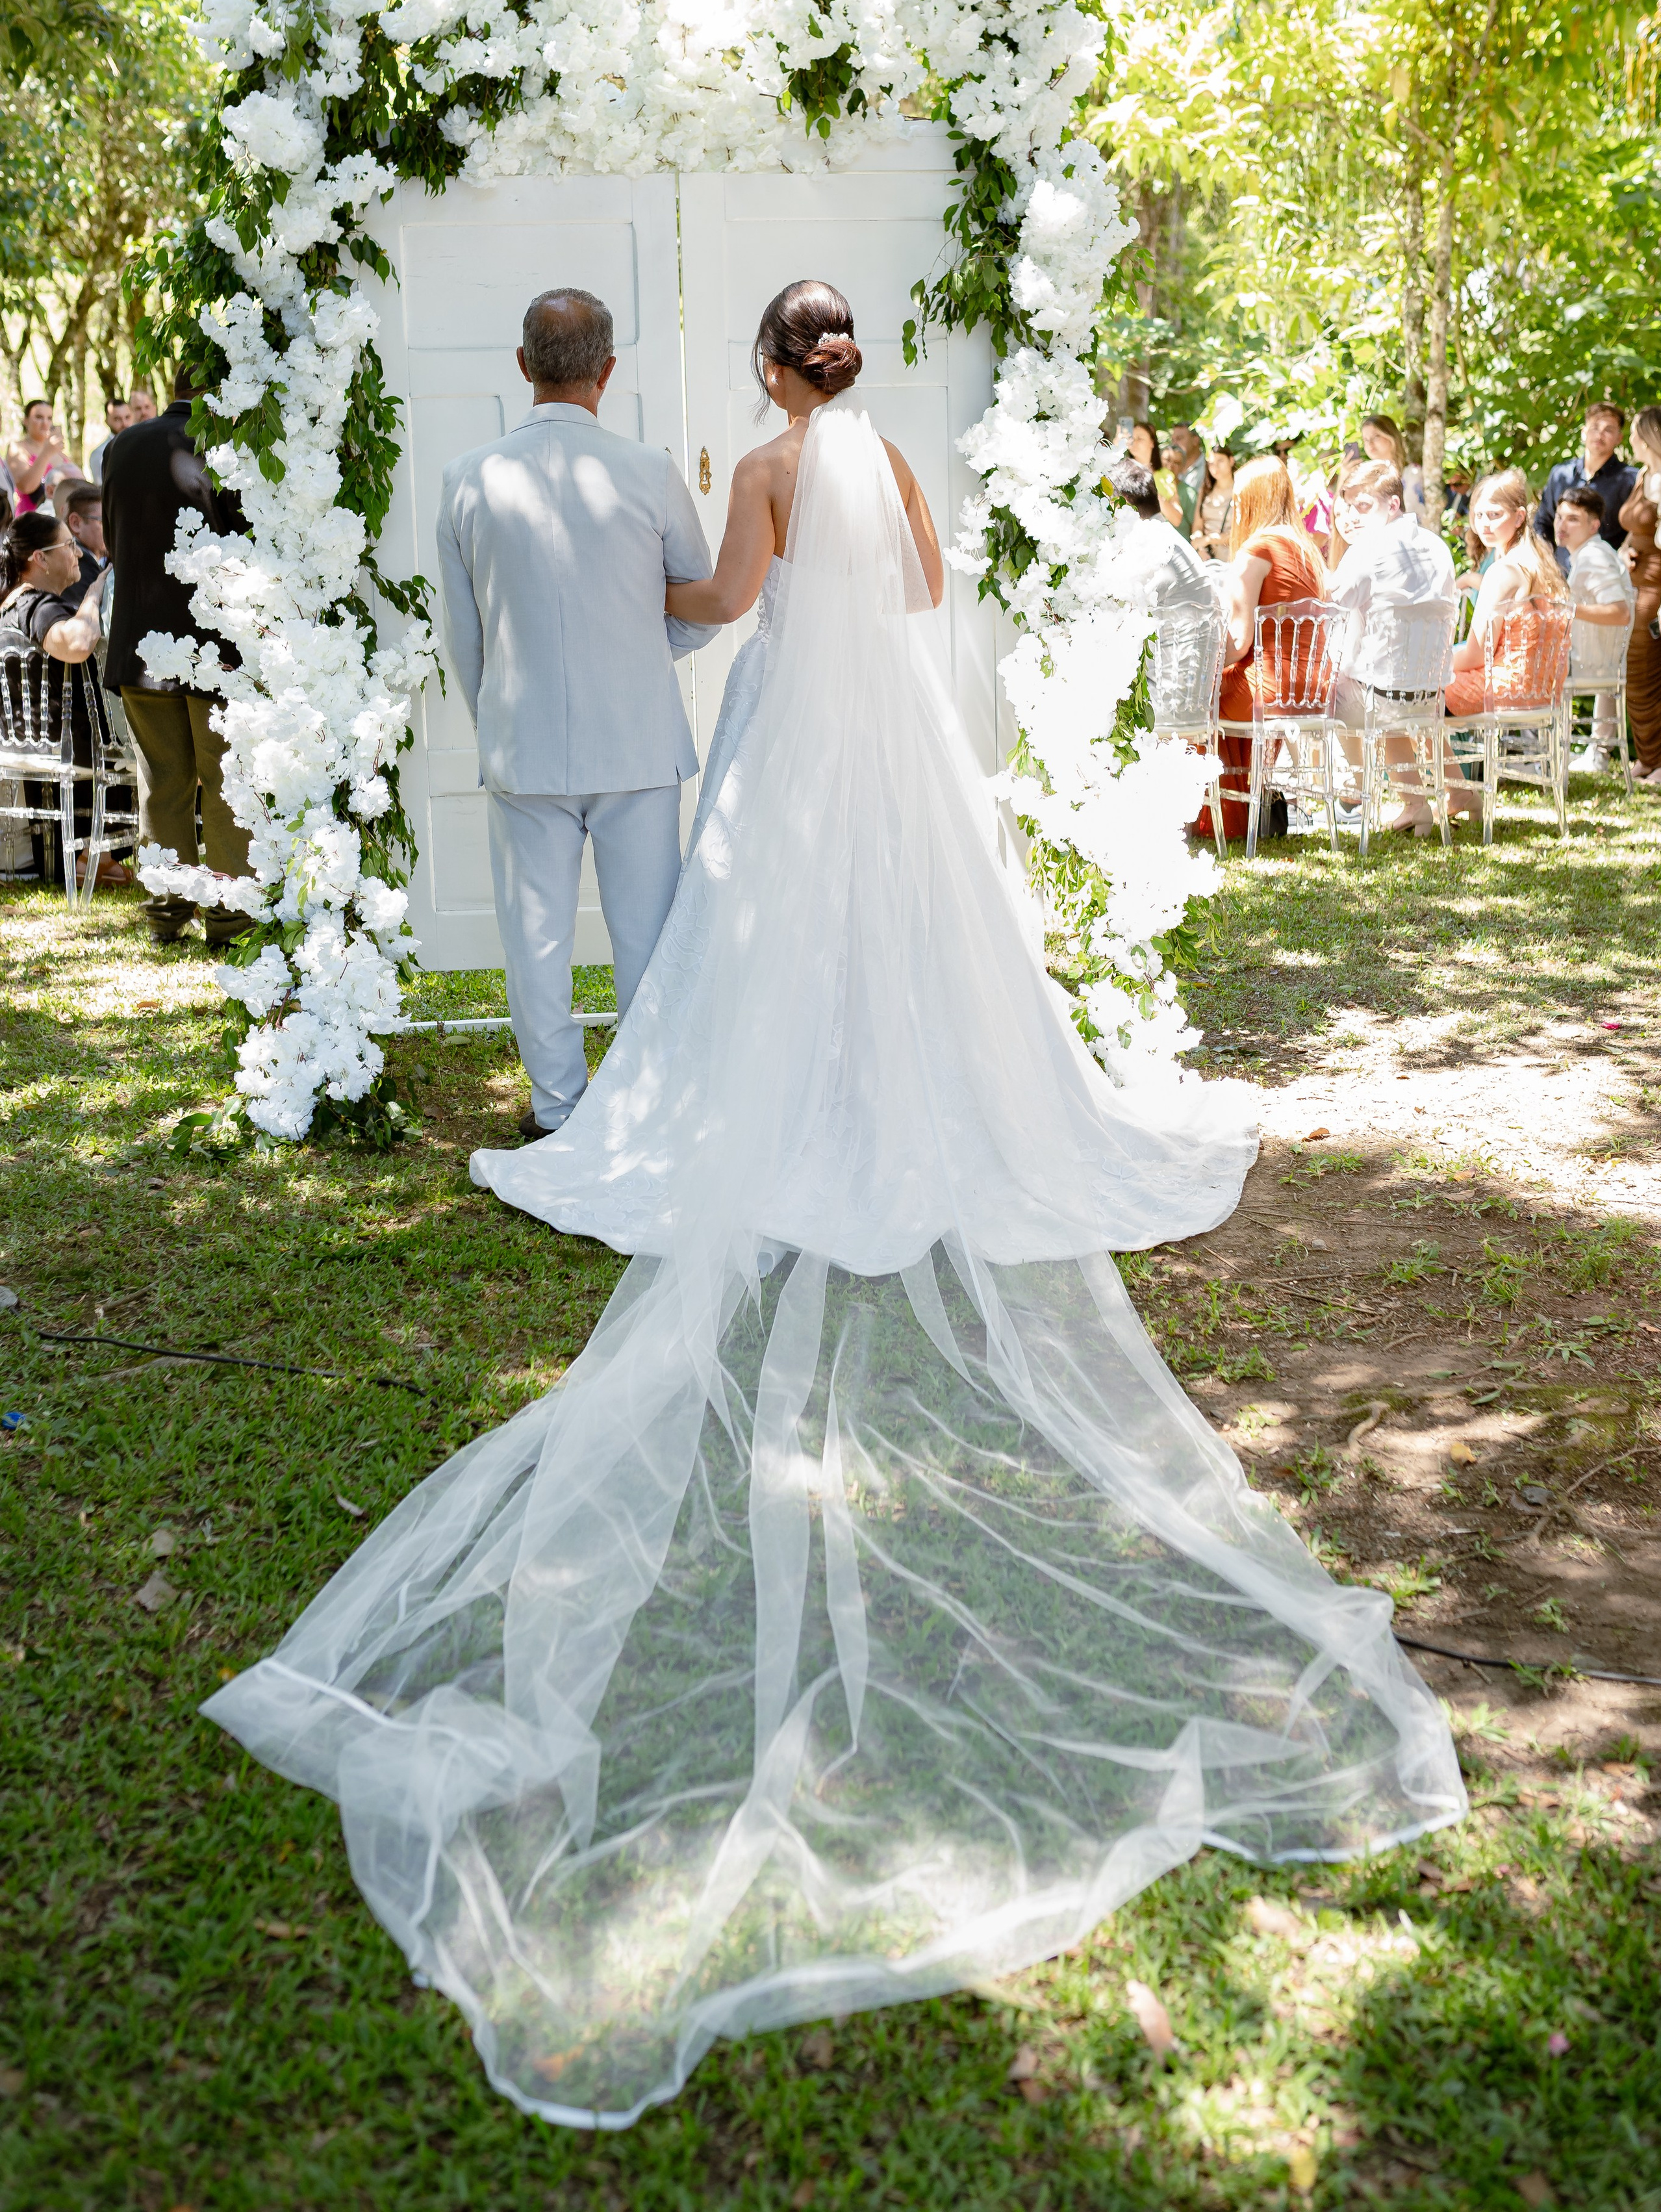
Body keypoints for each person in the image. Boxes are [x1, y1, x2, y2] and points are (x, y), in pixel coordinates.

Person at [205, 280, 1462, 2129]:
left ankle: (744, 1102)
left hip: (789, 733)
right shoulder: (887, 460)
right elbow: (934, 600)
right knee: (911, 940)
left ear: (769, 373)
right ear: (850, 360)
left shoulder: (777, 466)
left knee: (761, 934)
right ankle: (906, 1096)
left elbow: (717, 606)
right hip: (891, 754)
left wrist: (729, 564)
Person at [435, 285, 718, 1140]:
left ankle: (558, 1107)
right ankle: (644, 1103)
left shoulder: (465, 478)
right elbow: (697, 607)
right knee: (647, 939)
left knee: (537, 944)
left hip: (523, 744)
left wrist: (508, 706)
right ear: (609, 371)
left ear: (523, 366)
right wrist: (633, 657)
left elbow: (467, 636)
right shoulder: (650, 471)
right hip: (637, 742)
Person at [100, 376, 252, 948]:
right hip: (214, 642)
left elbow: (117, 537)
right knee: (223, 779)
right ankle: (230, 918)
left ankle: (167, 911)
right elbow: (242, 539)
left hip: (139, 637)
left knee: (161, 781)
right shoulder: (223, 445)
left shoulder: (121, 446)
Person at [1198, 454, 1328, 839]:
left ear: (1251, 500)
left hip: (1267, 691)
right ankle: (1248, 809)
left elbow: (1238, 645)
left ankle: (1221, 820)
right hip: (1312, 691)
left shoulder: (1257, 551)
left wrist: (1200, 664)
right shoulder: (1307, 551)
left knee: (1200, 696)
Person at [1325, 458, 1457, 832]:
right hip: (1429, 693)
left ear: (1393, 504)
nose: (1353, 515)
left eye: (1363, 506)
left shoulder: (1369, 548)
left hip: (1380, 699)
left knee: (1326, 687)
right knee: (1382, 691)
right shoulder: (1436, 546)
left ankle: (1352, 793)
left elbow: (1328, 605)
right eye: (1348, 507)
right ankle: (1431, 800)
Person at [0, 508, 128, 888]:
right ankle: (96, 856)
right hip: (73, 744)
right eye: (69, 546)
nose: (77, 554)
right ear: (40, 558)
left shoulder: (9, 604)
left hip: (38, 743)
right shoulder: (35, 605)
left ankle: (98, 858)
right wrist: (93, 595)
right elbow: (75, 645)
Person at [1444, 470, 1569, 820]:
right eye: (1479, 514)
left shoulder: (1503, 571)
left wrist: (1428, 661)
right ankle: (1460, 793)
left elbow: (1472, 654)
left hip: (1502, 690)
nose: (1484, 523)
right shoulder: (1540, 564)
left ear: (1519, 517)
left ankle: (1458, 793)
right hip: (1539, 691)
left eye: (1494, 514)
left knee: (1410, 696)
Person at [1555, 485, 1636, 778]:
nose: (1562, 526)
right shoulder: (1591, 553)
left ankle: (1537, 757)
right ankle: (1592, 752)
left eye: (1573, 519)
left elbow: (1620, 612)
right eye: (1560, 517)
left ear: (1594, 525)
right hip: (1596, 664)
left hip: (1588, 666)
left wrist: (1565, 610)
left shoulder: (1594, 557)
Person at [1104, 454, 1217, 613]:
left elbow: (1129, 606)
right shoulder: (1163, 532)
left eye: (1109, 502)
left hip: (1181, 634)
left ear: (1125, 501)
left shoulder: (1149, 538)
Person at [1617, 406, 1661, 786]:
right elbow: (1639, 528)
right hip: (1635, 585)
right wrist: (1626, 548)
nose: (1630, 439)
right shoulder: (1644, 476)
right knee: (1635, 675)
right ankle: (1648, 757)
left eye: (1633, 432)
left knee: (1648, 673)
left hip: (1656, 590)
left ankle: (1659, 760)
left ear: (1648, 436)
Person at [1534, 401, 1635, 559]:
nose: (1599, 435)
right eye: (1595, 428)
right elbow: (1543, 521)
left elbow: (1636, 531)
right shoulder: (1560, 474)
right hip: (1559, 573)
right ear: (1583, 433)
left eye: (1608, 430)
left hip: (1604, 575)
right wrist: (1544, 555)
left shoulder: (1630, 480)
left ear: (1619, 438)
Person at [6, 399, 84, 512]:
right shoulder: (17, 448)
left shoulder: (58, 451)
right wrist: (46, 454)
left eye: (49, 418)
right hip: (32, 516)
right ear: (26, 420)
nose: (45, 423)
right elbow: (25, 487)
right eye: (39, 417)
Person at [1360, 413, 1426, 522]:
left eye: (1376, 437)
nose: (1370, 444)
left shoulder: (1412, 474)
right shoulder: (1366, 480)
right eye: (1366, 440)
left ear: (1391, 437)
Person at [1128, 419, 1183, 528]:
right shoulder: (1122, 473)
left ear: (1152, 442)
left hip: (1159, 534)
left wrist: (1155, 496)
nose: (1135, 442)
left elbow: (1177, 519)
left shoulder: (1166, 475)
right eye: (1131, 439)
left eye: (1140, 439)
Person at [1190, 441, 1235, 556]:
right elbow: (1197, 526)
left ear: (1231, 460)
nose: (1215, 467)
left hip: (1233, 556)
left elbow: (1243, 532)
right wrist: (1201, 549)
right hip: (1208, 558)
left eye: (1220, 461)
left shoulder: (1241, 489)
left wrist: (1209, 540)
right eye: (1211, 464)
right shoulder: (1205, 490)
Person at [1167, 420, 1206, 533]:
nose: (1174, 444)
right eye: (1173, 440)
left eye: (1179, 439)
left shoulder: (1210, 469)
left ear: (1195, 440)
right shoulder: (1168, 469)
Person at [88, 396, 133, 483]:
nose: (124, 424)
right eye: (117, 419)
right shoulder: (99, 454)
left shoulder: (141, 445)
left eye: (127, 417)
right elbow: (101, 488)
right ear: (107, 421)